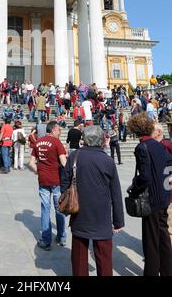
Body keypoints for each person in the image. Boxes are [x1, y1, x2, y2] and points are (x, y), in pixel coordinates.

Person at [61, 125, 124, 276]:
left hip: (79, 212)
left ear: (84, 139)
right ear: (102, 140)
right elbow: (116, 193)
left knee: (79, 257)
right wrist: (118, 221)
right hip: (101, 215)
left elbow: (64, 184)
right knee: (104, 257)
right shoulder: (107, 161)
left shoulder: (74, 156)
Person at [127, 113, 172, 276]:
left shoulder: (142, 147)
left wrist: (134, 187)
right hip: (164, 196)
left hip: (151, 198)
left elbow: (145, 176)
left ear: (135, 129)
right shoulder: (159, 144)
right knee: (164, 237)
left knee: (151, 241)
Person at [29, 121, 67, 250]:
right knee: (59, 209)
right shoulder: (57, 143)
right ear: (53, 130)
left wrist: (38, 171)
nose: (60, 133)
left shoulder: (38, 142)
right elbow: (64, 163)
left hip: (43, 180)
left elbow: (31, 163)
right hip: (56, 180)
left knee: (45, 209)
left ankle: (46, 241)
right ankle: (61, 237)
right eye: (59, 131)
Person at [152, 123, 172, 242]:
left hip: (169, 193)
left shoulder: (166, 145)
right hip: (162, 193)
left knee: (169, 226)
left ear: (158, 132)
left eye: (152, 130)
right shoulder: (158, 146)